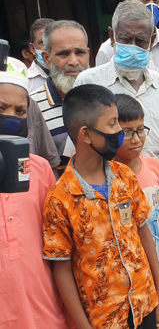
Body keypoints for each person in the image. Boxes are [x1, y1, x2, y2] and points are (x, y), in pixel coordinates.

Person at [43, 84, 159, 329]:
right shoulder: (60, 200)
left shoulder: (125, 177)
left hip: (144, 305)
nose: (119, 131)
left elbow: (144, 233)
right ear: (86, 135)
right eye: (112, 124)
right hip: (103, 319)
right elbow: (62, 270)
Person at [74, 0, 159, 246]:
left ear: (151, 41)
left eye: (141, 40)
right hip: (108, 209)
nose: (133, 45)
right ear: (112, 36)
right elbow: (78, 155)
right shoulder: (88, 84)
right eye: (125, 39)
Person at [0, 59, 68, 329]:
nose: (11, 117)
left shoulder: (38, 169)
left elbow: (57, 244)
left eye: (19, 111)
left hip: (43, 310)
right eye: (1, 108)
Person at [113, 94, 159, 329]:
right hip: (134, 283)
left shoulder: (154, 166)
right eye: (127, 132)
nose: (136, 139)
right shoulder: (110, 176)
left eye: (140, 129)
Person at [31, 20, 90, 172]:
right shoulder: (31, 108)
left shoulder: (107, 98)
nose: (73, 61)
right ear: (46, 58)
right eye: (63, 54)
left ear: (88, 54)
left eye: (80, 52)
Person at [23, 18, 54, 92]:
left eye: (54, 41)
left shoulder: (75, 73)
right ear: (32, 49)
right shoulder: (25, 82)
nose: (49, 48)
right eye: (42, 43)